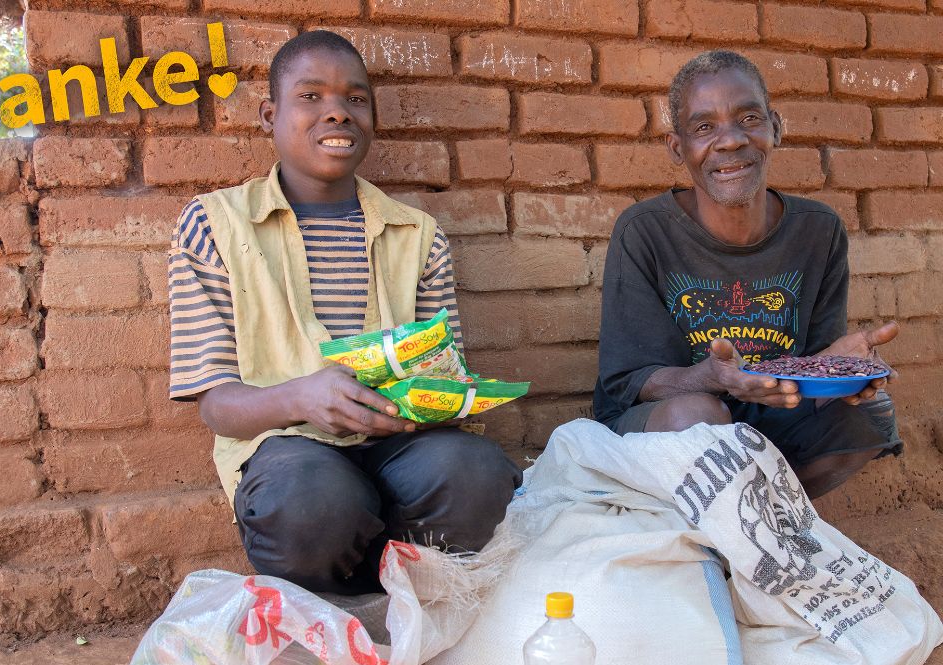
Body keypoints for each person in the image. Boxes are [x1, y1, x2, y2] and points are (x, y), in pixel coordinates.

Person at [167, 31, 522, 595]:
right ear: (269, 115)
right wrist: (298, 398)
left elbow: (443, 384)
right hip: (286, 451)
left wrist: (421, 407)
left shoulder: (417, 235)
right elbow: (214, 404)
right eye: (311, 97)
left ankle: (410, 595)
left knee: (476, 472)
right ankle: (335, 600)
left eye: (355, 100)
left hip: (400, 446)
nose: (337, 113)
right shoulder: (215, 226)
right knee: (312, 502)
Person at [593, 50, 902, 499]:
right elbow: (632, 382)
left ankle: (765, 525)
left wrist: (839, 369)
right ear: (678, 148)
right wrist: (714, 378)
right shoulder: (645, 231)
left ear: (775, 127)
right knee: (700, 418)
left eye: (748, 118)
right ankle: (726, 542)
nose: (730, 141)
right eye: (704, 127)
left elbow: (808, 374)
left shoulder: (818, 231)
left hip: (772, 418)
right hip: (666, 424)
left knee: (871, 414)